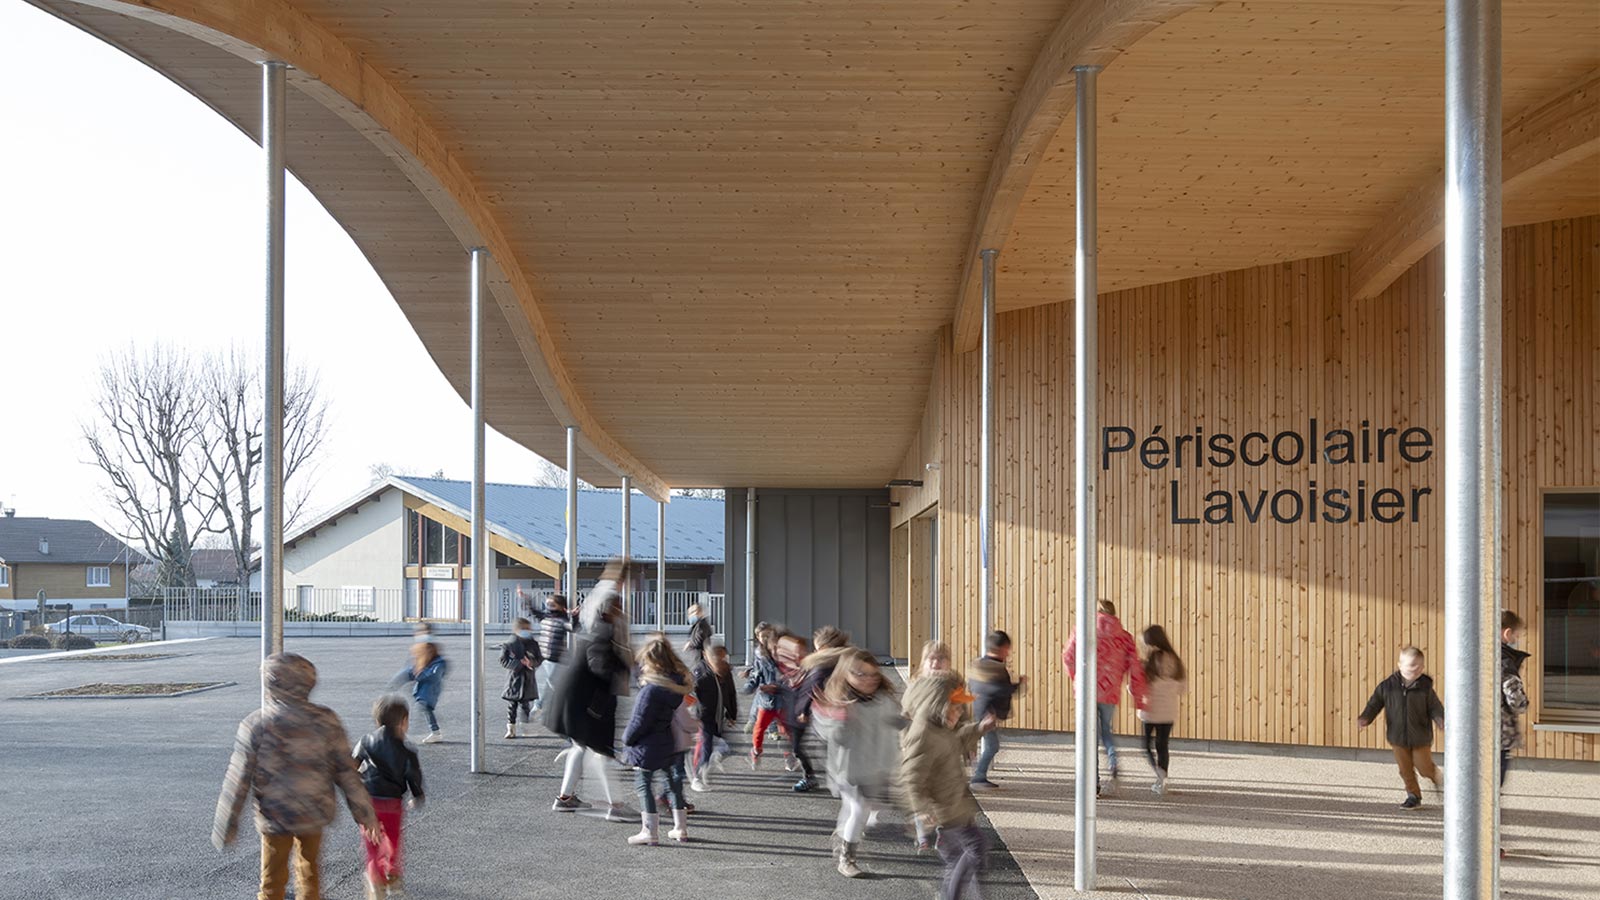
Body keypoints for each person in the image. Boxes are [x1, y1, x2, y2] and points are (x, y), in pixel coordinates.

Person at [212, 653, 383, 900]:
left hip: (275, 815)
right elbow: (347, 772)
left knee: (271, 881)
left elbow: (237, 779)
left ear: (271, 682)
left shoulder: (256, 724)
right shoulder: (326, 720)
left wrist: (226, 825)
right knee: (310, 874)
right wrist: (365, 814)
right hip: (313, 812)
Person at [544, 563, 634, 821]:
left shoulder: (595, 629)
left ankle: (565, 798)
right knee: (601, 752)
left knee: (581, 747)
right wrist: (623, 670)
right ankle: (616, 806)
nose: (623, 613)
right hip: (590, 702)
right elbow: (601, 667)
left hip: (576, 698)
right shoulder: (603, 634)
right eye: (620, 609)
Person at [901, 670, 997, 900]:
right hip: (945, 811)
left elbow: (958, 742)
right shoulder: (924, 734)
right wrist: (921, 809)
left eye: (960, 708)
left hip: (956, 805)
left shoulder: (943, 729)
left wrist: (979, 728)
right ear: (937, 705)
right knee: (975, 849)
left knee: (960, 859)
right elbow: (912, 776)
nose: (959, 712)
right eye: (954, 707)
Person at [812, 649, 904, 878]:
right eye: (861, 674)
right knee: (860, 808)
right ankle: (847, 858)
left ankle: (843, 833)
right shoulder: (842, 703)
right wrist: (840, 719)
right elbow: (834, 735)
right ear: (846, 675)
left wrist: (913, 723)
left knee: (856, 808)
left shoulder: (882, 699)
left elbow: (892, 720)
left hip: (876, 764)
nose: (868, 679)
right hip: (850, 769)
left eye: (873, 674)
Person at [1063, 600, 1147, 790]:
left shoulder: (1083, 630)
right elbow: (1135, 668)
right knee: (1106, 730)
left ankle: (1093, 784)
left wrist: (1076, 678)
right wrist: (1138, 697)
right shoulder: (1125, 637)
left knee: (1089, 737)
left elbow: (1068, 657)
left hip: (1086, 690)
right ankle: (1113, 759)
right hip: (1110, 691)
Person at [621, 634, 696, 845]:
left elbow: (639, 720)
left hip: (646, 746)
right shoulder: (674, 687)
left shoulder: (650, 690)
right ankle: (680, 829)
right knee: (672, 785)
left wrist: (627, 739)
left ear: (652, 662)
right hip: (666, 742)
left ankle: (649, 831)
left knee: (644, 785)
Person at [353, 695, 425, 900]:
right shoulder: (407, 750)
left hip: (369, 802)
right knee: (393, 839)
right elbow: (413, 775)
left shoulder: (366, 741)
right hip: (393, 803)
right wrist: (417, 795)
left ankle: (375, 879)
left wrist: (358, 783)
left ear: (378, 720)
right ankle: (392, 871)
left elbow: (352, 764)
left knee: (372, 844)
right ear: (404, 721)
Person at [1356, 645, 1446, 809]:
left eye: (1419, 666)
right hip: (1397, 737)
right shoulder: (1387, 687)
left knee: (1423, 767)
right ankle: (1413, 795)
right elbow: (1375, 703)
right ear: (1400, 666)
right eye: (1411, 665)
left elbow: (1435, 706)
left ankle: (1435, 775)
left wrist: (1440, 718)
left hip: (1420, 737)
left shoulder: (1425, 688)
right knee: (1405, 769)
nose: (1415, 669)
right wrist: (1365, 718)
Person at [909, 639, 959, 852]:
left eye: (941, 659)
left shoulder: (954, 685)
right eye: (932, 659)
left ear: (949, 662)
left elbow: (963, 714)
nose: (936, 663)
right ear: (924, 662)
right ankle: (922, 836)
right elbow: (906, 715)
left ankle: (942, 832)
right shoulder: (917, 685)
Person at [790, 625, 852, 792]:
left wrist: (803, 710)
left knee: (807, 746)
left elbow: (814, 686)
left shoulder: (826, 662)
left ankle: (814, 777)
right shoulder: (836, 660)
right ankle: (833, 778)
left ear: (825, 646)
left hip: (822, 711)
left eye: (817, 647)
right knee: (827, 746)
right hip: (824, 710)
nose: (815, 651)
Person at [968, 630, 1026, 790]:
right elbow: (1001, 690)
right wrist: (1019, 685)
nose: (1008, 653)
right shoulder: (995, 668)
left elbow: (975, 687)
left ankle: (977, 774)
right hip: (987, 714)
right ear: (1001, 648)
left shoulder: (979, 665)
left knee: (982, 743)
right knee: (992, 746)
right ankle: (978, 777)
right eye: (1007, 649)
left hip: (979, 710)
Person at [1137, 625, 1187, 795]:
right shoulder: (1176, 661)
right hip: (1169, 711)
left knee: (1146, 746)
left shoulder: (1149, 662)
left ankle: (1159, 775)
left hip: (1151, 711)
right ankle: (1163, 778)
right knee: (1162, 745)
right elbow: (1182, 688)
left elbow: (1137, 686)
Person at [1500, 611, 1530, 859]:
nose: (1517, 639)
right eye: (1517, 635)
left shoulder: (1475, 653)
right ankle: (1487, 843)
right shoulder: (1505, 662)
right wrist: (1524, 704)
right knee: (1491, 792)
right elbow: (1516, 700)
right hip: (1499, 736)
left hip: (1474, 736)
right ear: (1507, 633)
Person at [690, 643, 739, 791]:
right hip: (703, 717)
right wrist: (692, 715)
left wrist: (732, 714)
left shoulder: (725, 671)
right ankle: (696, 777)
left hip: (718, 716)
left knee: (722, 746)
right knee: (705, 745)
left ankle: (707, 764)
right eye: (717, 657)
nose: (721, 661)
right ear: (707, 656)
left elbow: (731, 693)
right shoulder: (700, 672)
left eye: (723, 658)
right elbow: (690, 692)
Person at [741, 626, 790, 769]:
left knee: (786, 730)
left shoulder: (782, 654)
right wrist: (749, 686)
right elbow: (756, 675)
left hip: (783, 700)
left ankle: (789, 757)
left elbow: (790, 674)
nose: (767, 639)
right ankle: (756, 751)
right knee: (759, 728)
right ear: (758, 638)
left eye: (769, 635)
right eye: (763, 636)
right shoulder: (760, 656)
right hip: (767, 700)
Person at [392, 639, 449, 743]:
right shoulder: (427, 661)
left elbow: (434, 676)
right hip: (423, 690)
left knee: (424, 708)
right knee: (424, 709)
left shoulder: (439, 663)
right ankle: (435, 731)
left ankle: (435, 732)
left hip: (430, 690)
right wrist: (396, 683)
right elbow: (408, 673)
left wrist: (420, 674)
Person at [499, 617, 544, 738]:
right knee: (512, 705)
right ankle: (511, 729)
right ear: (517, 629)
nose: (527, 631)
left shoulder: (533, 644)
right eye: (524, 628)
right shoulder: (509, 644)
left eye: (528, 628)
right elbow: (503, 660)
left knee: (525, 705)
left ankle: (526, 729)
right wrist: (519, 664)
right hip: (514, 679)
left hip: (528, 679)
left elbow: (540, 659)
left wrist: (531, 663)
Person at [529, 593, 570, 711]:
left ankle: (560, 708)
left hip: (555, 659)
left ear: (561, 606)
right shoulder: (546, 616)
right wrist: (526, 599)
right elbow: (535, 612)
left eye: (552, 604)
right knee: (541, 683)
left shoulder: (563, 620)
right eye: (548, 603)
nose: (549, 606)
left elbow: (574, 627)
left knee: (553, 685)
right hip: (543, 657)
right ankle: (538, 706)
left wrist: (574, 616)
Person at [684, 602, 714, 668]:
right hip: (699, 656)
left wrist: (690, 644)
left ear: (699, 612)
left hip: (701, 656)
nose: (690, 616)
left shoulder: (701, 625)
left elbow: (699, 639)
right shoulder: (698, 624)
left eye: (692, 613)